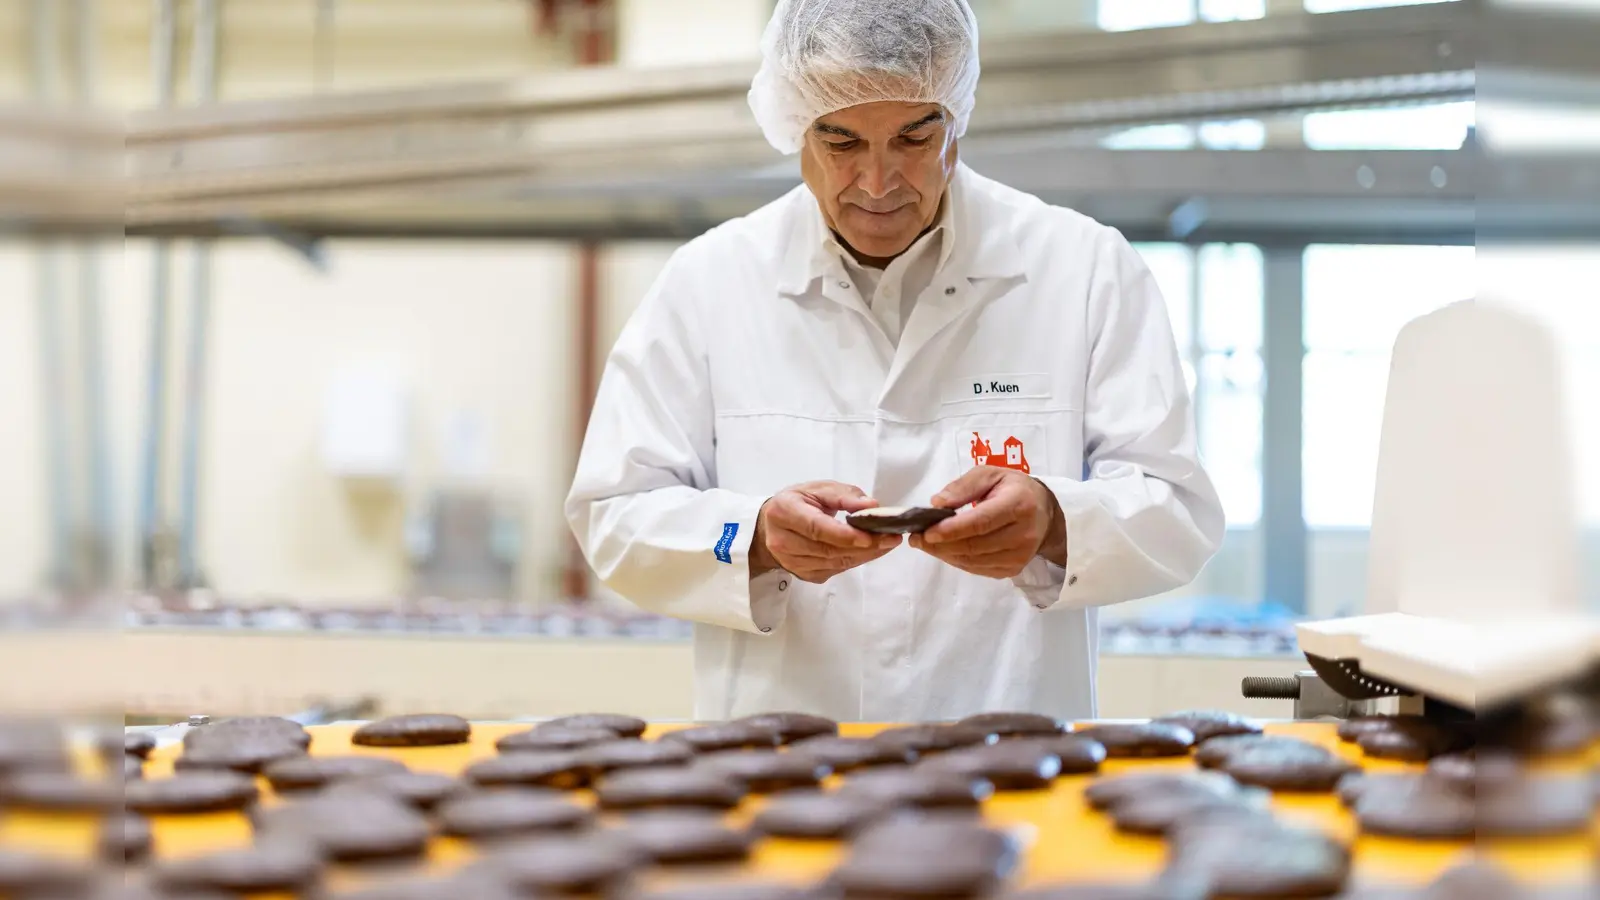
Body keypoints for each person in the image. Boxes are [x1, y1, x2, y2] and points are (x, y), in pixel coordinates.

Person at [566, 0, 1224, 722]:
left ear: (957, 114)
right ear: (795, 126)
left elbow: (1178, 508)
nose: (877, 183)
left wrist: (1056, 519)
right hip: (786, 762)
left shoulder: (1084, 270)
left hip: (1010, 758)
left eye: (914, 136)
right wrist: (754, 538)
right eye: (841, 141)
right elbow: (614, 510)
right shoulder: (711, 282)